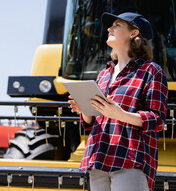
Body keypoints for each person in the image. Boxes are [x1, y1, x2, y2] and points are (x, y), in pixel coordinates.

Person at [68, 12, 168, 191]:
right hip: (98, 158)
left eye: (117, 25)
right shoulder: (104, 74)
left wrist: (119, 114)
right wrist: (85, 108)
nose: (109, 28)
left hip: (130, 160)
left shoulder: (151, 71)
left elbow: (157, 120)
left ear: (133, 33)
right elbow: (92, 123)